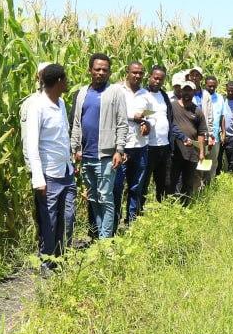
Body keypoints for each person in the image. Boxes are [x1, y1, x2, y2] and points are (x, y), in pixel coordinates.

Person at [69, 53, 129, 240]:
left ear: (110, 72)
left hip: (106, 155)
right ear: (90, 70)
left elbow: (122, 123)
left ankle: (105, 240)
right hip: (86, 155)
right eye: (97, 69)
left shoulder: (116, 92)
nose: (101, 73)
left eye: (105, 70)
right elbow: (77, 124)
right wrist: (75, 149)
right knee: (93, 197)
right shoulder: (81, 94)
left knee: (106, 197)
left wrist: (119, 149)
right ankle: (101, 236)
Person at [21, 63, 75, 274]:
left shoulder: (60, 103)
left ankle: (61, 257)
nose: (68, 82)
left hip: (66, 171)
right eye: (66, 79)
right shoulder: (37, 106)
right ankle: (46, 261)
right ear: (59, 81)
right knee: (50, 221)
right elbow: (32, 145)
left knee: (67, 218)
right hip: (49, 175)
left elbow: (62, 137)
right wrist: (38, 178)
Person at [114, 61, 152, 225]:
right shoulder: (117, 91)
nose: (137, 76)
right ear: (127, 72)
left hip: (140, 146)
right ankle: (114, 223)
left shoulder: (146, 94)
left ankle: (131, 221)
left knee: (136, 187)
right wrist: (132, 117)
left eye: (140, 73)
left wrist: (147, 125)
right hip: (121, 148)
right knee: (117, 187)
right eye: (134, 72)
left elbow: (150, 117)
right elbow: (112, 114)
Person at [168, 76, 207, 204]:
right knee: (174, 180)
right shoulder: (172, 107)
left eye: (190, 91)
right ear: (181, 91)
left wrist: (201, 152)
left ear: (194, 92)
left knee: (188, 181)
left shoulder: (198, 111)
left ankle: (186, 206)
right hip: (176, 151)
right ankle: (174, 207)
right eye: (185, 90)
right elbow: (169, 125)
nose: (187, 93)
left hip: (192, 153)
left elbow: (201, 133)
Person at [146, 65, 173, 203]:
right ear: (149, 76)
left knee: (163, 181)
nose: (157, 81)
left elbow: (169, 117)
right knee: (143, 182)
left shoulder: (164, 96)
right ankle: (138, 212)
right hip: (148, 147)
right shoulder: (143, 94)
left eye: (160, 79)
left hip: (164, 146)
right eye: (155, 78)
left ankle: (161, 207)